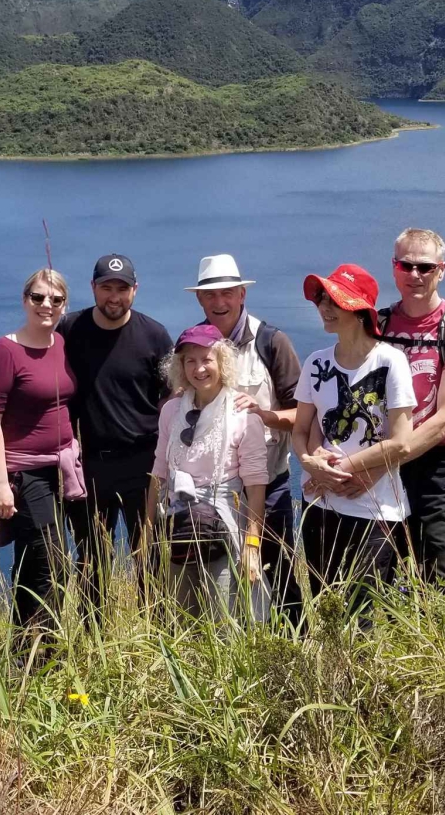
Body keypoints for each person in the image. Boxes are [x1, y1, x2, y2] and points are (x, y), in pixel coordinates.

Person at [291, 263, 415, 627]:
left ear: (361, 310)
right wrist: (309, 462)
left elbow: (402, 442)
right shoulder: (316, 363)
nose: (325, 309)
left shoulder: (390, 361)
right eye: (321, 299)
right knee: (325, 604)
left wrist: (337, 470)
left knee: (363, 614)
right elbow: (301, 430)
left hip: (375, 509)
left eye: (336, 301)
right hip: (319, 501)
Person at [186, 254, 303, 624]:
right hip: (211, 497)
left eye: (227, 293)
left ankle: (293, 648)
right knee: (214, 580)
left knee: (278, 572)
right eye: (210, 295)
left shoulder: (272, 343)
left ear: (241, 294)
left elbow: (304, 414)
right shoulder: (191, 347)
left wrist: (264, 415)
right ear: (200, 300)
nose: (219, 303)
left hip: (268, 486)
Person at [58, 254, 172, 619]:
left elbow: (172, 394)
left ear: (134, 291)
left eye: (122, 289)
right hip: (89, 464)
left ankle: (158, 637)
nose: (114, 296)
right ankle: (95, 641)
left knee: (151, 554)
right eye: (106, 287)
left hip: (144, 464)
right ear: (93, 288)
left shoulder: (153, 335)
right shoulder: (68, 331)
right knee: (91, 560)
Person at [0, 268, 83, 640]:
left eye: (55, 300)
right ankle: (35, 655)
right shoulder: (4, 351)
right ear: (25, 300)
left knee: (35, 562)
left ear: (64, 305)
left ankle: (29, 648)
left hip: (64, 468)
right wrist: (2, 485)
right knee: (50, 562)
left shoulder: (63, 344)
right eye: (38, 297)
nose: (46, 305)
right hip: (26, 473)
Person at [376, 228, 445, 586]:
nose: (414, 275)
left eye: (424, 267)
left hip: (439, 468)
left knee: (442, 572)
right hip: (387, 462)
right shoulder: (378, 324)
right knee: (378, 570)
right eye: (406, 266)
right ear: (394, 268)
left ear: (441, 270)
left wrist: (388, 456)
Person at [148, 324, 267, 621]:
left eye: (207, 359)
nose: (199, 369)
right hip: (180, 527)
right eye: (190, 360)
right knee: (182, 618)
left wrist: (252, 546)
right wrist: (146, 532)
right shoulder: (171, 411)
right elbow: (159, 472)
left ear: (222, 362)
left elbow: (255, 485)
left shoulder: (242, 415)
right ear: (180, 366)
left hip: (225, 528)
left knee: (225, 619)